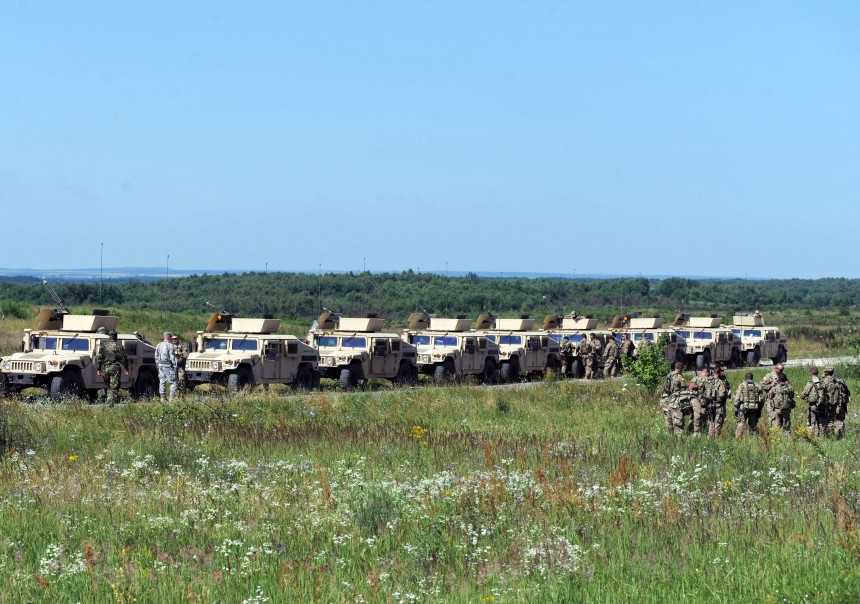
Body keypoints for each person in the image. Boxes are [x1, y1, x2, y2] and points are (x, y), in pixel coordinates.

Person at [96, 330, 128, 406]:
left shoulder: (104, 345)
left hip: (106, 367)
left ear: (109, 336)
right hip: (115, 367)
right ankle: (110, 403)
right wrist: (126, 368)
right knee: (114, 386)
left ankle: (105, 398)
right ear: (116, 336)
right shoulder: (119, 345)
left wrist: (98, 369)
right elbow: (124, 358)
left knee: (108, 385)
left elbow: (99, 357)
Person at [821, 366, 851, 438]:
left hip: (830, 405)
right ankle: (840, 436)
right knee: (840, 420)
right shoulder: (840, 381)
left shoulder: (824, 381)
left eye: (825, 371)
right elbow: (847, 393)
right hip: (841, 405)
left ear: (827, 372)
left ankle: (829, 437)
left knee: (830, 420)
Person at [734, 372, 763, 438]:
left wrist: (736, 408)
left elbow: (737, 399)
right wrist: (759, 409)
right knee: (753, 425)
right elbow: (762, 400)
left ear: (745, 378)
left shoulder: (741, 385)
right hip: (754, 408)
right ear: (752, 378)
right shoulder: (757, 386)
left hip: (743, 408)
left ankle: (739, 439)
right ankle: (754, 439)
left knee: (741, 424)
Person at [660, 361, 686, 434]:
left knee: (668, 418)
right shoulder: (680, 377)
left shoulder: (669, 375)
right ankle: (678, 434)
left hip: (664, 399)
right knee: (676, 417)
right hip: (673, 400)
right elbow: (684, 390)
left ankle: (670, 434)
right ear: (680, 368)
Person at [800, 366, 826, 436]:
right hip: (822, 405)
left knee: (811, 422)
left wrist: (807, 399)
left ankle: (810, 437)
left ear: (811, 373)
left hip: (813, 405)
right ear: (818, 373)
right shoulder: (822, 383)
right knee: (821, 423)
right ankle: (821, 437)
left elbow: (803, 395)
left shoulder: (810, 383)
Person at [689, 367, 715, 435]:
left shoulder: (694, 379)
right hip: (703, 403)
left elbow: (689, 390)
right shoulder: (707, 380)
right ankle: (700, 432)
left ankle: (689, 431)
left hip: (693, 402)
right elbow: (709, 394)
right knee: (703, 417)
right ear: (707, 372)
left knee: (694, 417)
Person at [155, 331, 179, 402]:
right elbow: (172, 357)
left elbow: (156, 356)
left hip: (160, 366)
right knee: (173, 382)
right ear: (169, 337)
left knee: (162, 381)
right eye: (171, 337)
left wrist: (158, 365)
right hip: (168, 365)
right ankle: (172, 398)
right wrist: (175, 366)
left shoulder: (158, 345)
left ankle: (163, 398)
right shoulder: (169, 345)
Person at [711, 365, 731, 437]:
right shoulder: (719, 381)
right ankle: (716, 437)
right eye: (721, 371)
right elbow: (722, 394)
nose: (723, 372)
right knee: (718, 422)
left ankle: (711, 436)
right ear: (718, 372)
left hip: (712, 404)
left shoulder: (709, 380)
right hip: (719, 404)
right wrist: (727, 394)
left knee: (712, 422)